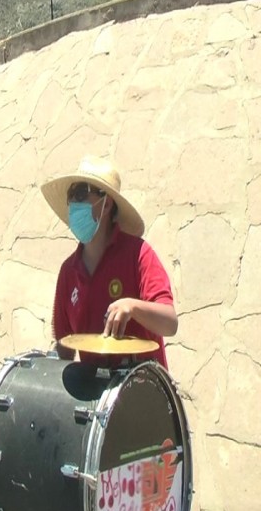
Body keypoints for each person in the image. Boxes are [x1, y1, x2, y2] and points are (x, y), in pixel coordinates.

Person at [41, 156, 178, 369]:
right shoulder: (68, 272)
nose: (73, 204)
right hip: (92, 397)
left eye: (80, 194)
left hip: (144, 392)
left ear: (106, 204)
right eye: (71, 196)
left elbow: (170, 323)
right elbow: (64, 348)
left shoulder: (139, 254)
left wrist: (133, 307)